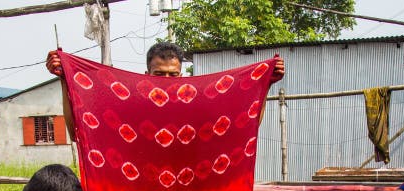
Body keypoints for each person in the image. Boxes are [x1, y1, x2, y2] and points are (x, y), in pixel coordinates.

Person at [45, 41, 285, 139]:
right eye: (160, 75)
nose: (167, 81)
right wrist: (65, 79)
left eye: (173, 75)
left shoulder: (195, 106)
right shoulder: (131, 106)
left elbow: (244, 128)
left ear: (181, 75)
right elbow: (80, 132)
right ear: (147, 74)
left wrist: (264, 87)